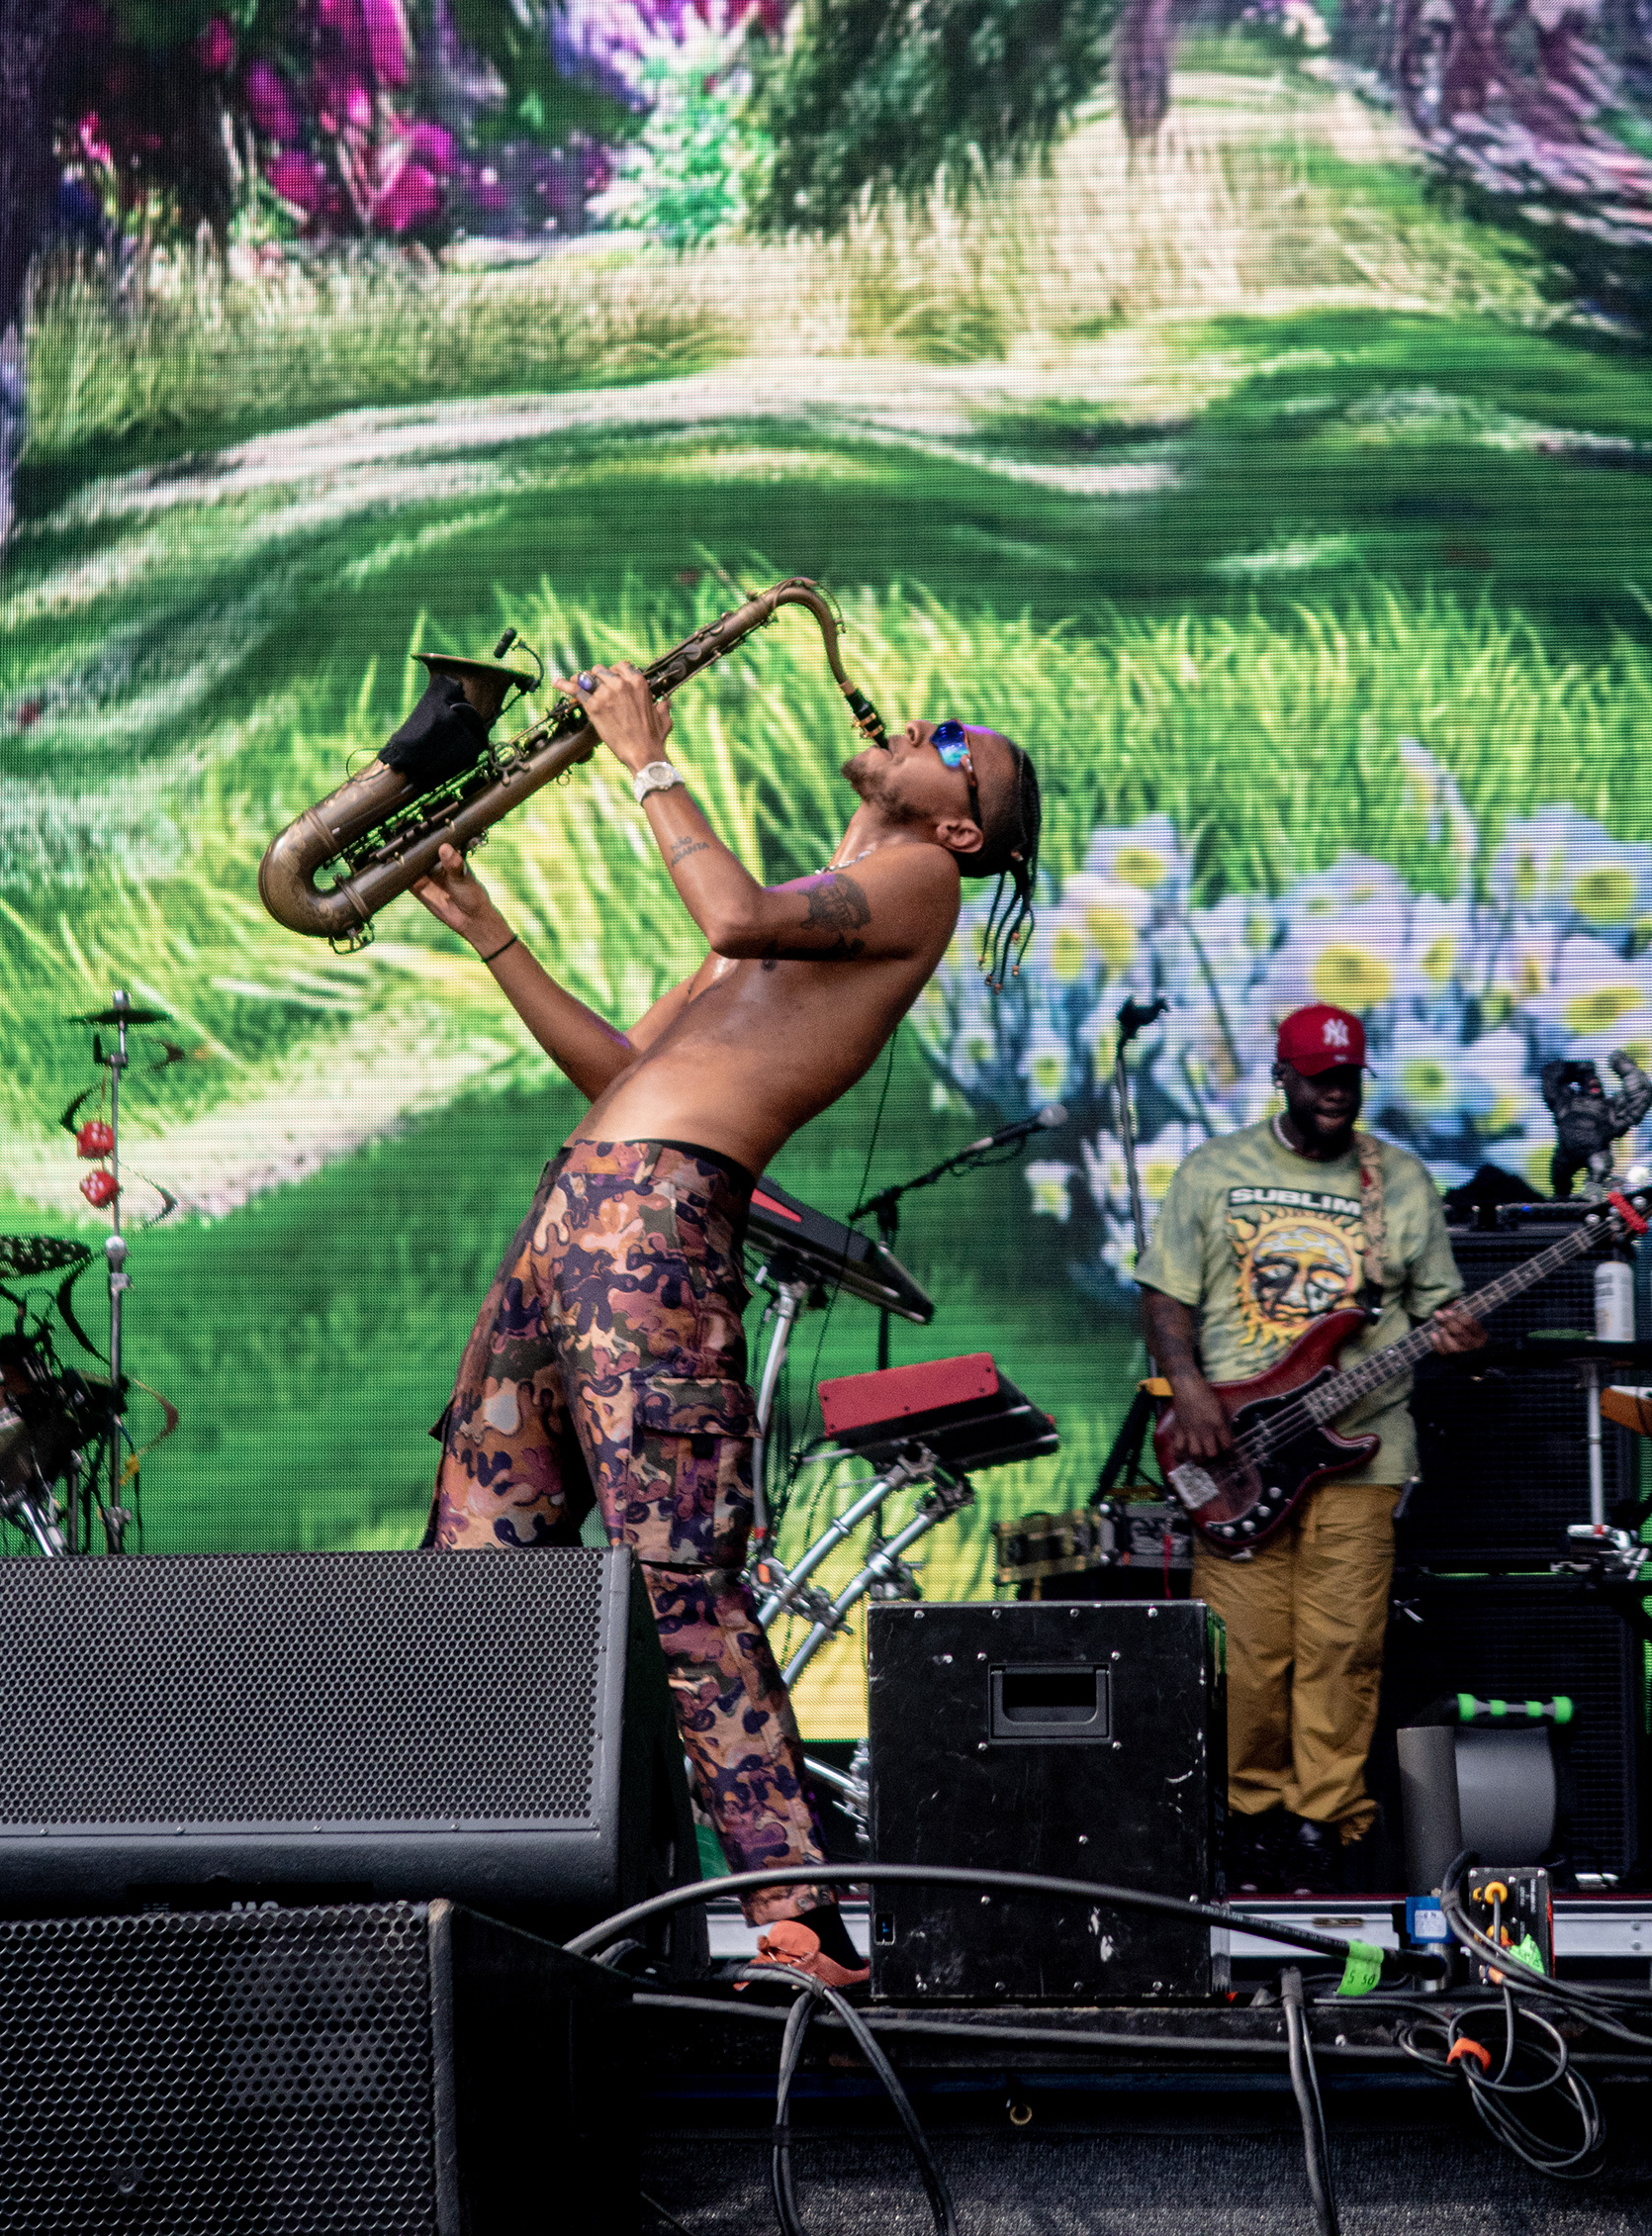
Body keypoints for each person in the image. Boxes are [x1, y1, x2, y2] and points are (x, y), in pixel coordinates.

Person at [412, 663, 1041, 1981]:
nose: (912, 724)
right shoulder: (798, 919)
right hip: (577, 1206)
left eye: (947, 738)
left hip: (658, 1222)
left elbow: (737, 908)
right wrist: (491, 930)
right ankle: (479, 1885)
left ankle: (792, 1914)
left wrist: (647, 755)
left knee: (676, 1568)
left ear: (963, 825)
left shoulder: (918, 880)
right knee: (476, 1562)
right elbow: (618, 1074)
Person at [1138, 1003, 1486, 1894]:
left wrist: (1457, 1334)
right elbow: (1165, 1298)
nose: (1334, 1093)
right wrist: (1194, 1392)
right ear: (1283, 1077)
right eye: (1317, 1078)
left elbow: (1441, 1307)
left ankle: (1322, 1825)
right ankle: (1251, 1815)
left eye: (1348, 1079)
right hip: (1236, 1452)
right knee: (1250, 1653)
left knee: (1342, 1647)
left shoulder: (1398, 1182)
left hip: (1361, 1454)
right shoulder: (1216, 1170)